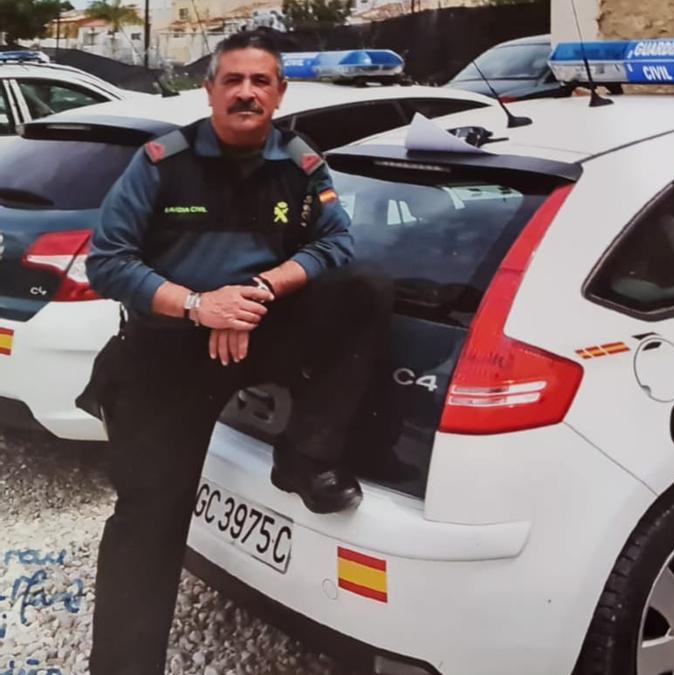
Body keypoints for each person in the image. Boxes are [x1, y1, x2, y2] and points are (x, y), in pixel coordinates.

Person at [77, 29, 390, 675]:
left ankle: (303, 458)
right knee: (148, 522)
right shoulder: (163, 161)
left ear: (279, 91)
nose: (247, 92)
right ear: (210, 88)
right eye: (233, 80)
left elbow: (336, 244)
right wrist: (197, 305)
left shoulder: (300, 162)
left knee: (364, 291)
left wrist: (255, 291)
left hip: (251, 327)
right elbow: (106, 262)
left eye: (260, 81)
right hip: (165, 350)